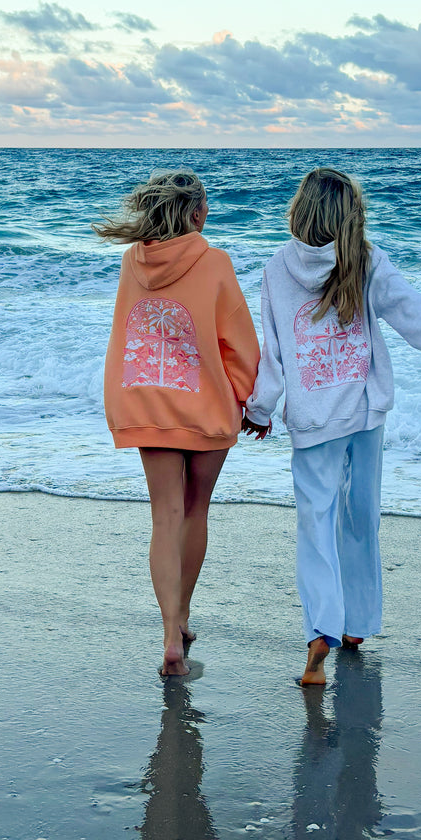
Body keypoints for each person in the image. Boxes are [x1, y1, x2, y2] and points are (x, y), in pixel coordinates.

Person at [242, 166, 421, 685]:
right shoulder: (365, 259)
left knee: (315, 523)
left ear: (300, 210)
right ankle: (357, 623)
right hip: (364, 411)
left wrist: (259, 408)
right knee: (361, 517)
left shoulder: (277, 268)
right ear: (350, 216)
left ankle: (322, 629)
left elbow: (272, 350)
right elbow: (413, 314)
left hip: (314, 417)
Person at [97, 169, 260, 678]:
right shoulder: (214, 262)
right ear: (197, 214)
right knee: (195, 510)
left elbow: (126, 331)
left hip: (147, 405)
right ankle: (184, 614)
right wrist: (250, 400)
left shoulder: (132, 262)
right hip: (206, 406)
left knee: (164, 516)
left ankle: (171, 633)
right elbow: (238, 341)